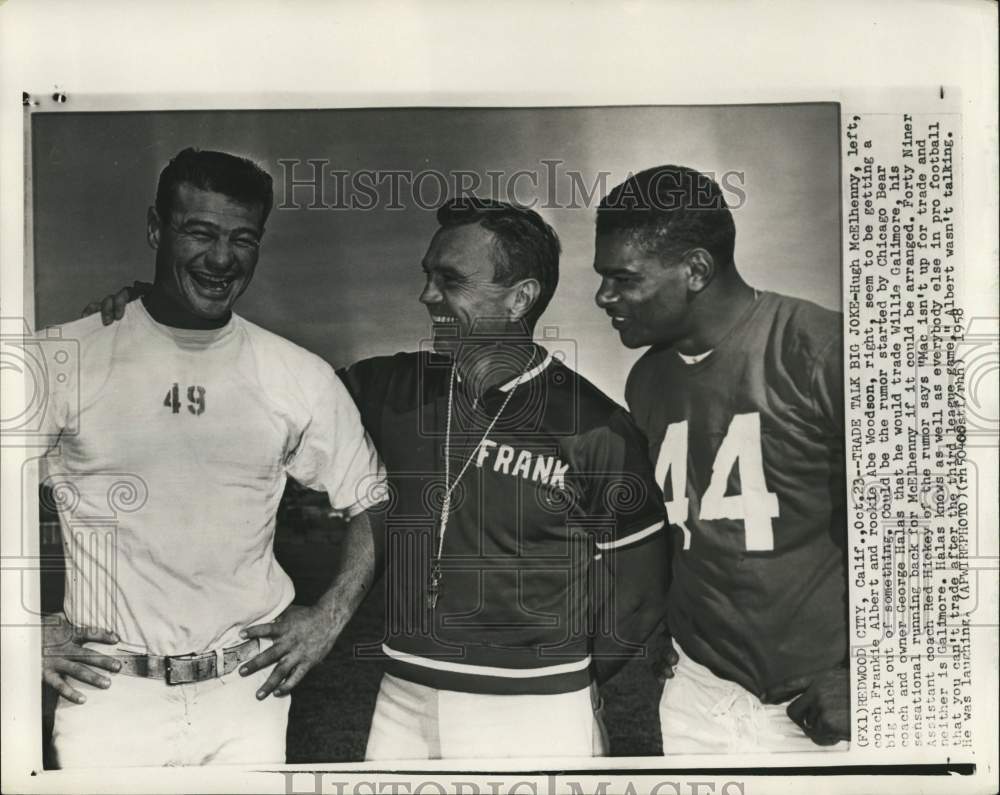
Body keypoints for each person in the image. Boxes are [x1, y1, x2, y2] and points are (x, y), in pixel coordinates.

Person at [88, 197, 670, 760]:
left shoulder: (595, 425)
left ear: (520, 298)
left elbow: (639, 594)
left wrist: (560, 676)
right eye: (427, 275)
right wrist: (165, 316)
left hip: (533, 707)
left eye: (451, 280)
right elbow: (266, 387)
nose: (426, 294)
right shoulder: (392, 388)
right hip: (404, 698)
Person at [41, 147, 385, 767]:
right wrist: (19, 630)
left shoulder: (295, 373)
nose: (222, 258)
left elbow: (372, 501)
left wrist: (328, 618)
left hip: (245, 695)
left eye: (243, 238)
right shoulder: (64, 357)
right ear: (155, 228)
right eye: (199, 232)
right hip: (110, 695)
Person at [592, 164, 849, 754]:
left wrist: (871, 679)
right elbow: (680, 522)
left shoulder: (819, 350)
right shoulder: (647, 380)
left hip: (819, 701)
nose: (604, 296)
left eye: (623, 279)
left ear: (697, 270)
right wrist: (666, 620)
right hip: (698, 694)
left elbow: (932, 534)